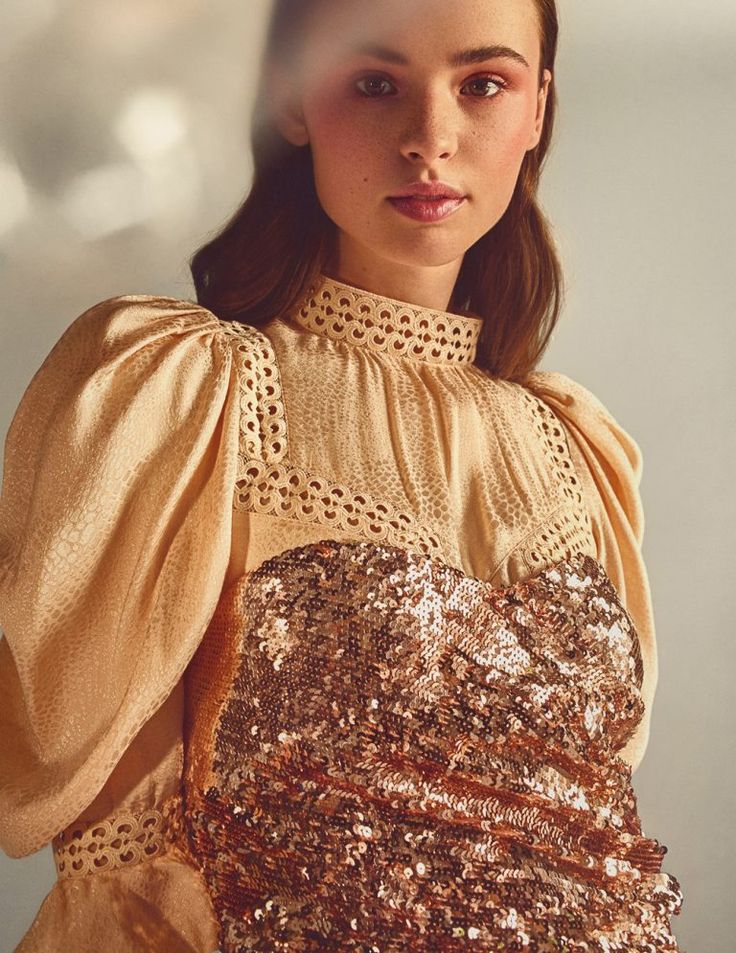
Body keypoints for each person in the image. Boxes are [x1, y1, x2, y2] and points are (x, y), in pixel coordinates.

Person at [0, 0, 684, 949]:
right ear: (294, 102)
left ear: (537, 111)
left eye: (483, 84)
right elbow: (124, 868)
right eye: (375, 85)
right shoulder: (190, 394)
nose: (430, 139)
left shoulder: (575, 447)